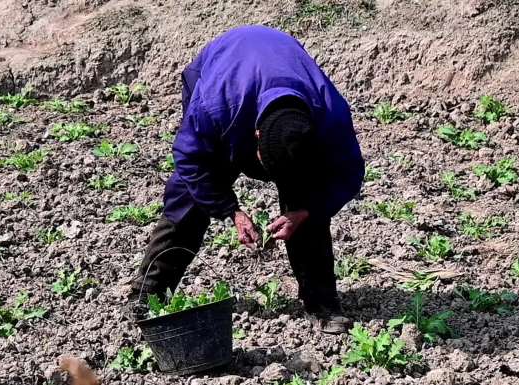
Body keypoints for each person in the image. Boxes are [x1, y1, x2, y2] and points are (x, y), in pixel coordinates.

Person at [128, 25, 364, 334]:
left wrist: (304, 210)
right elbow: (190, 158)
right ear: (254, 139)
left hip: (278, 77)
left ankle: (321, 303)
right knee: (188, 197)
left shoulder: (329, 116)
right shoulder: (214, 104)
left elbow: (349, 173)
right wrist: (230, 210)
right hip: (222, 71)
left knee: (307, 200)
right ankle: (149, 293)